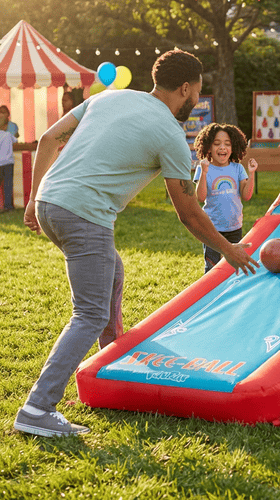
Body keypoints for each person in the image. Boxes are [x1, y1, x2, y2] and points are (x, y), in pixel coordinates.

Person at [14, 49, 259, 438]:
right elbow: (190, 212)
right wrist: (230, 250)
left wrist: (32, 198)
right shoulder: (170, 135)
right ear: (185, 88)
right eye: (197, 91)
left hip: (50, 203)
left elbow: (48, 139)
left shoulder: (109, 96)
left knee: (113, 274)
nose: (196, 98)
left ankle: (108, 365)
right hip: (84, 213)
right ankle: (37, 408)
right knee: (90, 313)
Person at [193, 123, 258, 273]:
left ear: (233, 147)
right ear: (208, 147)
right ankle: (211, 292)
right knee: (212, 268)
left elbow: (246, 196)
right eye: (217, 144)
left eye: (227, 144)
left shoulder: (238, 168)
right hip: (212, 229)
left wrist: (252, 173)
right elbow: (201, 197)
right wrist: (203, 172)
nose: (222, 147)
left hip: (234, 227)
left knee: (233, 267)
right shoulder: (204, 168)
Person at [0, 111, 17, 212]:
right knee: (8, 185)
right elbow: (16, 141)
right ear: (6, 126)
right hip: (8, 163)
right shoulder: (8, 135)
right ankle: (8, 206)